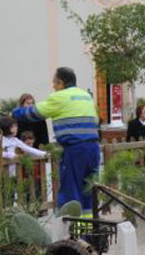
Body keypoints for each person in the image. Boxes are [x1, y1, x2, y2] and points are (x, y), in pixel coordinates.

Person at [11, 67, 101, 217]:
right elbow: (96, 120)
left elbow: (34, 113)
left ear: (61, 82)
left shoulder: (59, 97)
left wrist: (14, 113)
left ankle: (75, 229)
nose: (53, 86)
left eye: (54, 82)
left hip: (74, 150)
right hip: (93, 148)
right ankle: (89, 225)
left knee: (71, 190)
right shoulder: (86, 96)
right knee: (88, 189)